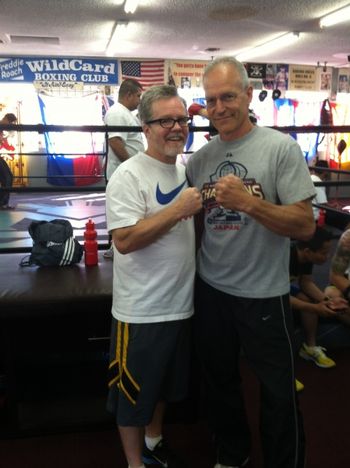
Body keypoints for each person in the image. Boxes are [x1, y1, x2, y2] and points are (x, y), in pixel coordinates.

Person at [186, 57, 316, 468]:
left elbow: (304, 225)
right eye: (211, 100)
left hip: (263, 293)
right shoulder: (200, 160)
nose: (219, 107)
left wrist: (248, 203)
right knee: (219, 381)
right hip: (212, 290)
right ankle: (233, 452)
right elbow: (197, 225)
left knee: (278, 391)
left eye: (227, 96)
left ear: (246, 94)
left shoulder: (280, 148)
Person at [105, 84, 202, 468]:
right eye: (165, 120)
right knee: (133, 394)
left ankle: (154, 441)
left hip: (181, 305)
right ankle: (134, 463)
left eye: (181, 119)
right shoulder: (128, 175)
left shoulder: (183, 169)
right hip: (141, 311)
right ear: (145, 127)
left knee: (163, 386)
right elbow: (125, 241)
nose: (176, 127)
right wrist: (178, 209)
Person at [289, 226, 348, 391]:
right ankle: (282, 372)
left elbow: (306, 283)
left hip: (281, 289)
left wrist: (328, 302)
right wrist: (316, 308)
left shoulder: (305, 258)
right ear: (308, 251)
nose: (327, 256)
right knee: (280, 313)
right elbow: (278, 297)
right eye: (323, 253)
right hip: (262, 294)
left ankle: (310, 347)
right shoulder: (285, 257)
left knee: (307, 299)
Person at [103, 78, 145, 258]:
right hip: (123, 172)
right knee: (122, 210)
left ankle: (120, 247)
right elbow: (115, 142)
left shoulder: (125, 113)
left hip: (129, 171)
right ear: (128, 95)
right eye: (138, 96)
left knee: (132, 210)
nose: (139, 100)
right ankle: (116, 248)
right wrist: (131, 165)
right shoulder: (117, 113)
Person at [0, 113, 17, 210]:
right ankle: (2, 203)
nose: (11, 125)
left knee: (9, 176)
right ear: (6, 119)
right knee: (7, 177)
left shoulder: (2, 130)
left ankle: (3, 203)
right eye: (10, 123)